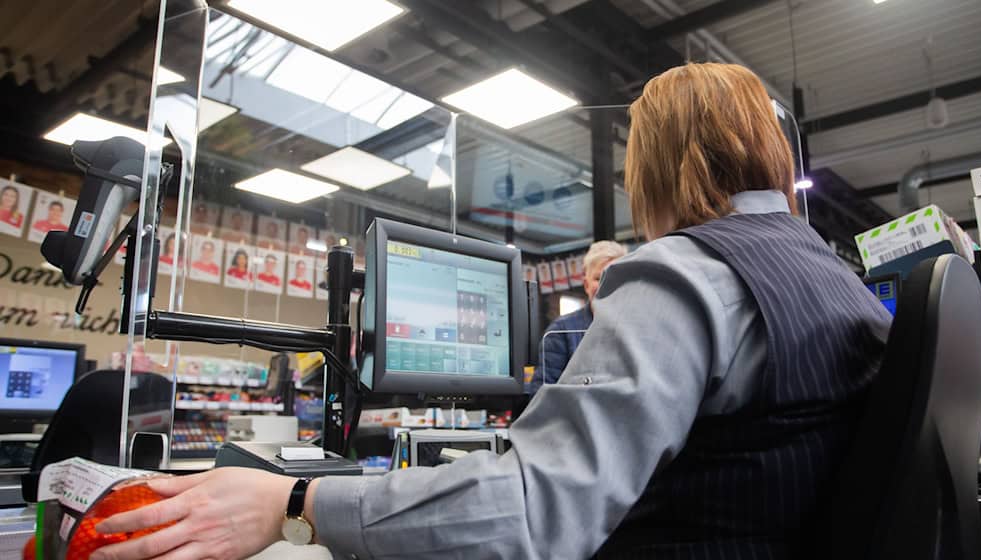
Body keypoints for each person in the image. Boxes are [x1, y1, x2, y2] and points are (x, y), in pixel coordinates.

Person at [90, 63, 891, 560]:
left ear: (656, 167)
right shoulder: (837, 276)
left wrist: (295, 504)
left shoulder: (685, 276)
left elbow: (530, 514)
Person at [529, 241, 627, 393]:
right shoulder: (561, 332)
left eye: (614, 277)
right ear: (586, 285)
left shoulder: (636, 330)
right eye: (598, 278)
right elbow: (539, 396)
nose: (605, 284)